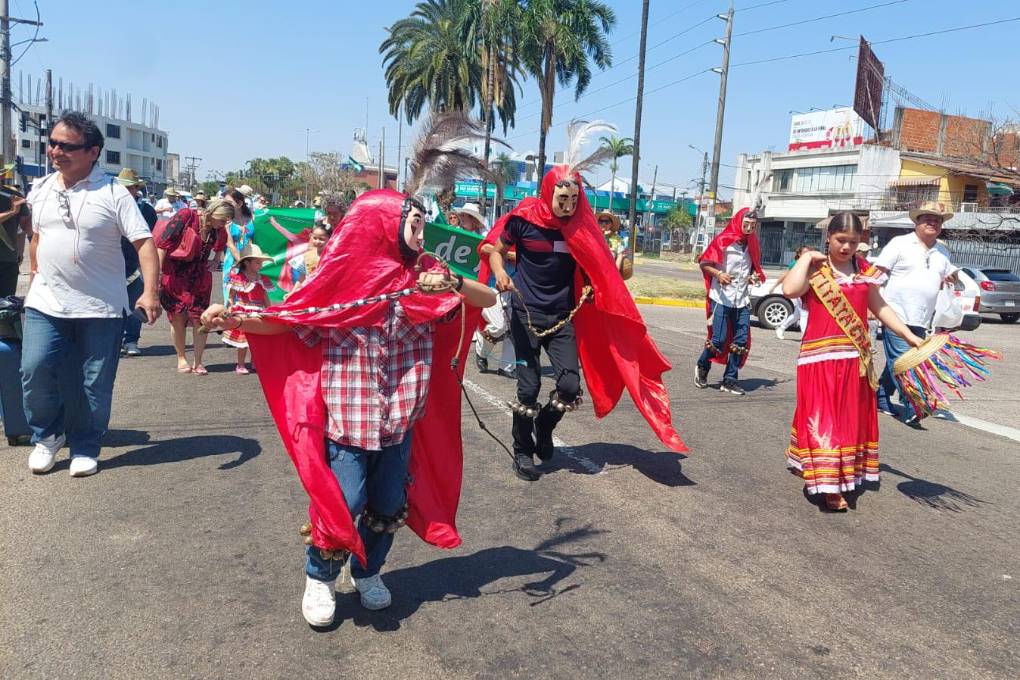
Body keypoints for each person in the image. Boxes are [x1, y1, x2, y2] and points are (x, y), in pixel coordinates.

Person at [201, 189, 497, 627]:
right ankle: (319, 576)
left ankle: (368, 572)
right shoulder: (339, 277)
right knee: (346, 498)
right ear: (383, 223)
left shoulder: (427, 272)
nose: (421, 232)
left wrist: (452, 282)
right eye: (413, 222)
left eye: (421, 222)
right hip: (347, 419)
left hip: (401, 419)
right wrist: (236, 319)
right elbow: (288, 321)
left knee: (387, 503)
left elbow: (486, 300)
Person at [486, 153, 686, 482]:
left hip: (563, 316)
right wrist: (500, 274)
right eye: (562, 198)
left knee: (568, 386)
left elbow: (599, 268)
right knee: (528, 389)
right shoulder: (522, 219)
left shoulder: (580, 227)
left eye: (574, 199)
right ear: (548, 191)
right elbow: (495, 251)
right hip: (525, 313)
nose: (567, 205)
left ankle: (544, 425)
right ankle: (522, 451)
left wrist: (598, 285)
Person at [21, 111, 161, 477]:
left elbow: (145, 244)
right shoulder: (41, 188)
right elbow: (38, 236)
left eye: (66, 145)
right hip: (46, 302)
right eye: (52, 143)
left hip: (100, 306)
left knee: (94, 384)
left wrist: (150, 292)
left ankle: (84, 445)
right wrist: (36, 272)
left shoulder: (114, 192)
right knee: (34, 369)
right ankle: (47, 436)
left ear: (92, 151)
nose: (55, 151)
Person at [781, 212, 923, 511]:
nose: (846, 247)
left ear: (862, 242)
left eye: (853, 242)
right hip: (818, 359)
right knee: (823, 419)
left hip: (854, 359)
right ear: (828, 238)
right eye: (840, 240)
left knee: (846, 422)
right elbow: (790, 290)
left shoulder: (864, 270)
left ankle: (825, 469)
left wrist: (907, 333)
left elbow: (879, 306)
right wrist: (806, 259)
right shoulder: (816, 270)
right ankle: (829, 486)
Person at [873, 202, 958, 420]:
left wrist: (951, 278)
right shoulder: (899, 243)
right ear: (916, 222)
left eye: (937, 220)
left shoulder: (942, 251)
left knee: (899, 360)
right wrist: (869, 301)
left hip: (922, 320)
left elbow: (951, 275)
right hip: (895, 314)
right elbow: (879, 271)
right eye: (927, 218)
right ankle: (913, 405)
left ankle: (881, 396)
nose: (933, 222)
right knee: (906, 362)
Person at [155, 200, 232, 375]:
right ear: (214, 214)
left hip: (200, 277)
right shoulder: (186, 216)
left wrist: (216, 258)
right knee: (178, 317)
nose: (224, 224)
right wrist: (158, 273)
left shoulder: (218, 230)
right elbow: (163, 243)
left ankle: (199, 361)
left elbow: (221, 244)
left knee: (201, 318)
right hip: (176, 274)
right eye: (223, 220)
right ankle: (181, 358)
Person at [694, 208, 765, 396]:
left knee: (740, 341)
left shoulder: (753, 244)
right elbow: (704, 262)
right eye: (746, 224)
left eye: (753, 225)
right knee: (718, 340)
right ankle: (702, 366)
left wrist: (753, 277)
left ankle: (730, 379)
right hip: (721, 297)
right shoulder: (723, 240)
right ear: (738, 222)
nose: (749, 228)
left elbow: (753, 268)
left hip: (741, 300)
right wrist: (719, 274)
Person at [115, 168, 158, 356]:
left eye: (129, 187)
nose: (126, 191)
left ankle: (131, 340)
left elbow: (152, 240)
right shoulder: (109, 205)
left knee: (135, 304)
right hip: (110, 265)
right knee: (112, 307)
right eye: (123, 187)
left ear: (136, 189)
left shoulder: (147, 211)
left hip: (135, 265)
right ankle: (114, 341)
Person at [221, 243, 274, 374]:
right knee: (243, 340)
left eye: (261, 262)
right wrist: (231, 306)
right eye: (257, 262)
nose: (260, 265)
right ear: (247, 263)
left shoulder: (261, 278)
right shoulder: (239, 278)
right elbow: (231, 296)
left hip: (258, 310)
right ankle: (240, 364)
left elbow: (264, 295)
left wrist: (269, 309)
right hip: (243, 311)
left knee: (257, 339)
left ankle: (255, 361)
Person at [771, 245, 813, 340]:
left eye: (808, 252)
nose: (807, 255)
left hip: (808, 291)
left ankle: (781, 328)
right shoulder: (796, 263)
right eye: (804, 253)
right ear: (799, 254)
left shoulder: (811, 263)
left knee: (796, 315)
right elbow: (785, 275)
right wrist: (774, 286)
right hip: (799, 292)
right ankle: (805, 337)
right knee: (804, 313)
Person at [222, 188, 255, 301]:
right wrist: (242, 263)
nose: (226, 205)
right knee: (231, 298)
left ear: (240, 203)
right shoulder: (226, 222)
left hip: (250, 261)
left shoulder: (252, 219)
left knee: (248, 297)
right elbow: (230, 244)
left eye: (229, 203)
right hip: (233, 264)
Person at [0, 185, 31, 297]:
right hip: (8, 258)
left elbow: (22, 228)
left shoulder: (15, 196)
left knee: (7, 305)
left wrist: (20, 253)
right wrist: (12, 212)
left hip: (8, 260)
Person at [596, 211, 633, 280]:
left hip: (608, 274)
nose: (603, 224)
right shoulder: (593, 236)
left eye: (606, 222)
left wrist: (615, 273)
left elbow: (620, 256)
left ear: (611, 224)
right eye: (601, 221)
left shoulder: (617, 239)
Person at [290, 223, 329, 290]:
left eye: (321, 239)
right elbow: (302, 278)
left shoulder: (331, 257)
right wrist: (292, 292)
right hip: (309, 292)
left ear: (330, 238)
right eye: (315, 238)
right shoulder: (307, 256)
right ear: (310, 236)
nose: (317, 241)